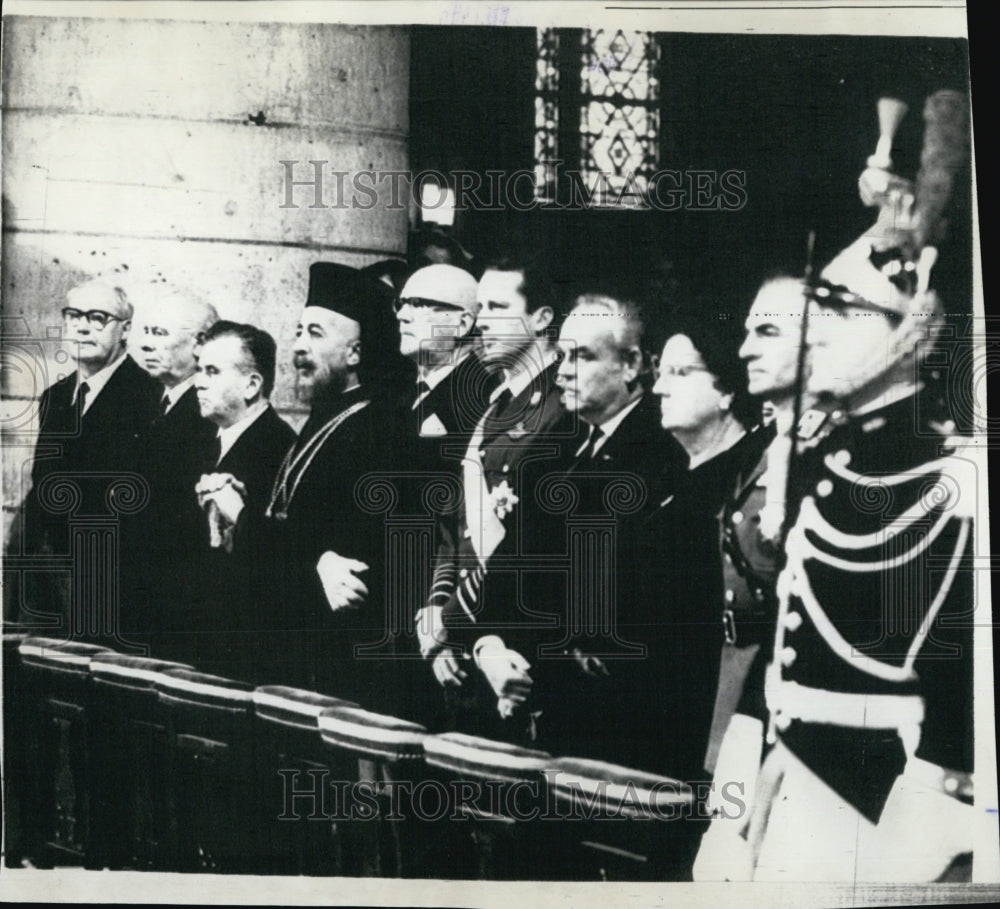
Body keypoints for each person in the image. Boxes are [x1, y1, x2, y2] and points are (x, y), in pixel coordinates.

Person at [695, 89, 975, 883]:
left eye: (836, 315)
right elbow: (772, 669)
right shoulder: (824, 464)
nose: (812, 338)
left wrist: (912, 847)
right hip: (783, 804)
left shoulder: (954, 480)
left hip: (878, 817)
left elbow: (959, 686)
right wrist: (732, 809)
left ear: (906, 333)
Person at [199, 262, 399, 707]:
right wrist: (245, 513)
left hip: (336, 660)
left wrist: (243, 515)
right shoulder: (322, 417)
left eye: (316, 334)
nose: (299, 348)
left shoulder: (375, 428)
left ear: (355, 353)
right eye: (297, 332)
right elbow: (300, 525)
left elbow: (349, 557)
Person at [418, 250, 574, 737]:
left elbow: (526, 547)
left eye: (498, 308)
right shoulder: (491, 407)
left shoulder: (559, 411)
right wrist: (438, 624)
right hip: (465, 646)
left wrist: (448, 621)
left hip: (513, 649)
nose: (481, 323)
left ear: (542, 319)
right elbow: (453, 529)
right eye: (479, 309)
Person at [10, 279, 161, 642]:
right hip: (42, 580)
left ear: (125, 329)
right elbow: (42, 486)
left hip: (107, 586)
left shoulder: (150, 396)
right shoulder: (56, 396)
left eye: (97, 317)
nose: (81, 326)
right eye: (74, 315)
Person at [162, 320, 295, 678]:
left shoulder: (280, 450)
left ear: (252, 384)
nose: (199, 382)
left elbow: (275, 563)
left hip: (243, 654)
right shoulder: (202, 445)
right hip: (196, 643)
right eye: (199, 369)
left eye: (212, 371)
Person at [135, 287, 219, 652]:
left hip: (174, 605)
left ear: (200, 343)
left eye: (161, 334)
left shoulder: (206, 414)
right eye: (146, 333)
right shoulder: (152, 403)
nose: (146, 346)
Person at [394, 263, 497, 466]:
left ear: (462, 324)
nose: (402, 316)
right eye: (401, 303)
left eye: (419, 304)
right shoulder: (396, 388)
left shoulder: (481, 398)